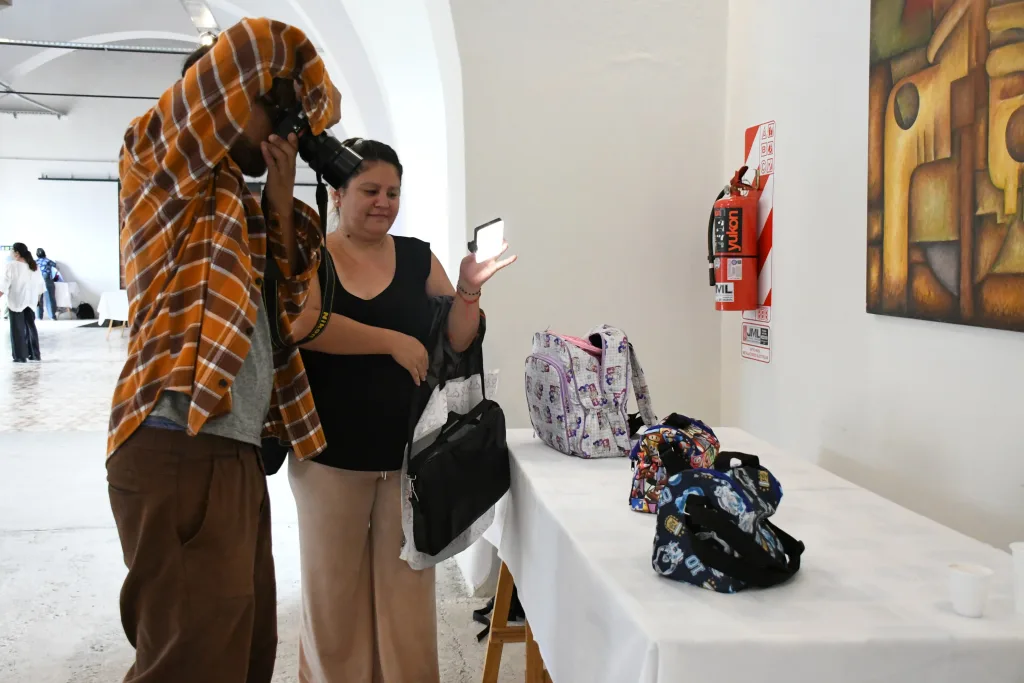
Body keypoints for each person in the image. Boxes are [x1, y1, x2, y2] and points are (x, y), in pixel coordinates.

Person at [104, 18, 341, 683]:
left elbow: (292, 306)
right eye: (271, 105)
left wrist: (280, 202)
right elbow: (254, 42)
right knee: (192, 661)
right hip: (178, 438)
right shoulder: (157, 166)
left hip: (232, 447)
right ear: (224, 101)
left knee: (242, 651)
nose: (283, 124)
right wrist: (317, 101)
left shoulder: (239, 207)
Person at [287, 138, 516, 683]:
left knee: (408, 598)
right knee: (332, 599)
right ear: (337, 194)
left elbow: (458, 340)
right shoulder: (315, 255)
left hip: (411, 455)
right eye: (370, 190)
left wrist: (468, 291)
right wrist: (390, 341)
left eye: (392, 192)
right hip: (329, 456)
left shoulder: (416, 257)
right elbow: (302, 325)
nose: (383, 202)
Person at [0, 242, 45, 362]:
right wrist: (37, 300)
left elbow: (3, 285)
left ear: (17, 253)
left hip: (17, 301)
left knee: (17, 329)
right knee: (31, 327)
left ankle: (20, 356)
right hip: (31, 301)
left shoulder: (11, 265)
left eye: (12, 250)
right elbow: (40, 286)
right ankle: (35, 354)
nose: (10, 253)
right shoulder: (34, 266)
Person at [35, 248, 61, 320]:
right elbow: (58, 268)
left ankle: (39, 316)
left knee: (38, 299)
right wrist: (54, 275)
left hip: (37, 280)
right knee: (50, 298)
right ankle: (52, 316)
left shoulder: (35, 262)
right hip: (47, 279)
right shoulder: (48, 261)